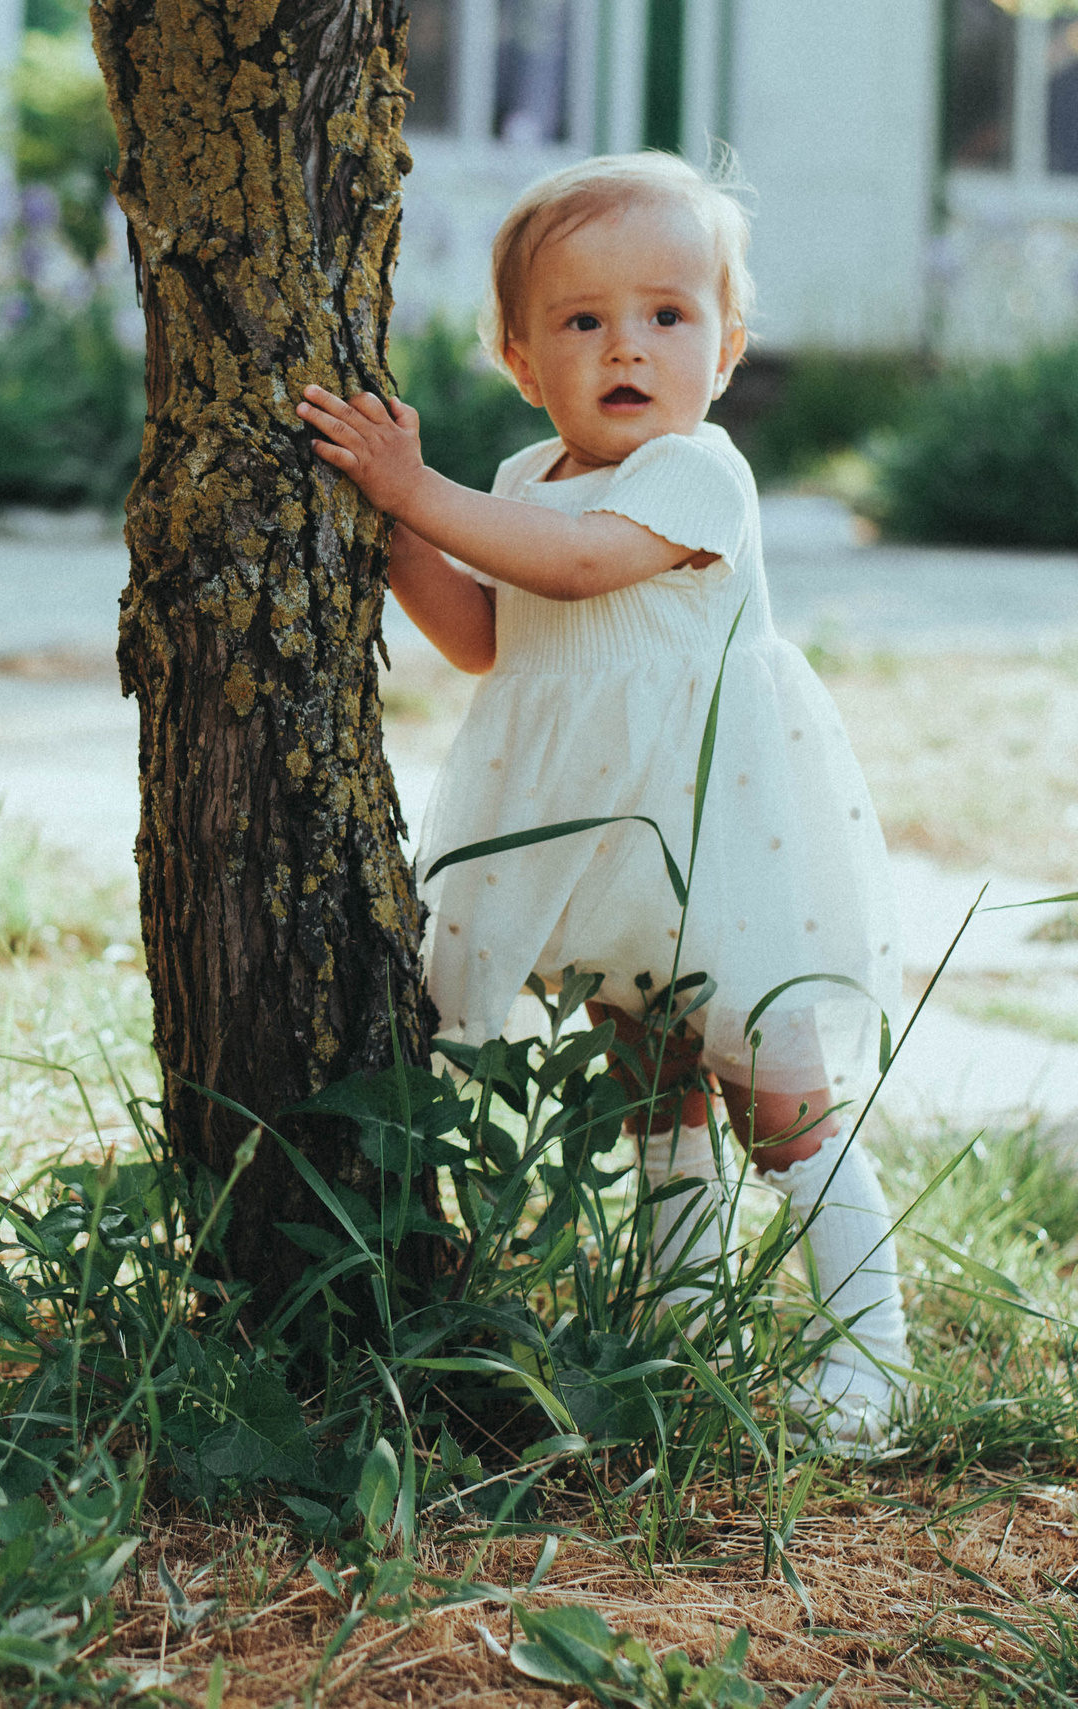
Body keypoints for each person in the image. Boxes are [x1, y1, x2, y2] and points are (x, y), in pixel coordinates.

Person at [295, 152, 909, 1444]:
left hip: (709, 842)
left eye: (667, 316)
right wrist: (398, 532)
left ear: (728, 346)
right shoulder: (524, 485)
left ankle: (873, 1356)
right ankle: (684, 1325)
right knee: (657, 1094)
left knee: (780, 1101)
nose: (626, 347)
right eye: (583, 322)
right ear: (524, 361)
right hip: (606, 859)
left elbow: (577, 572)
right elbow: (491, 633)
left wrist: (421, 491)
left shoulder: (700, 478)